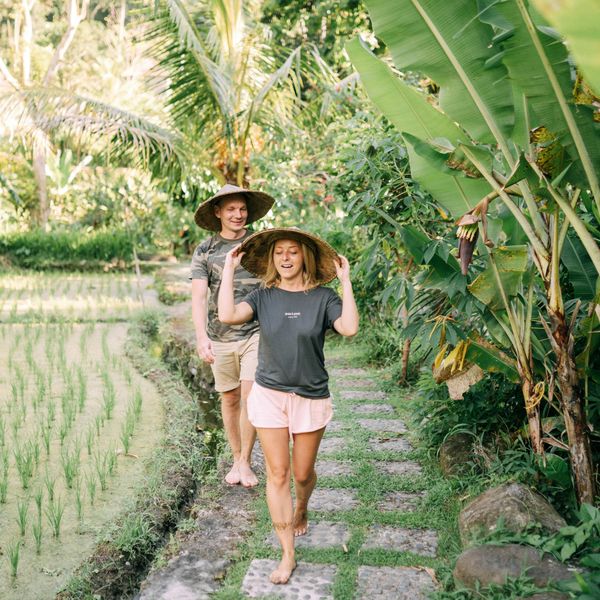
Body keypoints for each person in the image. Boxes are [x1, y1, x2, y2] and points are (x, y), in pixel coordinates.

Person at [217, 227, 359, 584]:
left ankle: (302, 507)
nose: (285, 258)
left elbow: (350, 328)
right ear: (271, 259)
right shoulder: (263, 296)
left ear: (304, 257)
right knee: (277, 474)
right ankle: (287, 554)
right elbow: (227, 316)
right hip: (269, 395)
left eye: (293, 252)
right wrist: (230, 271)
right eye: (279, 252)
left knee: (301, 475)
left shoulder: (324, 298)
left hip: (311, 397)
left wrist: (346, 282)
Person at [190, 184, 275, 487]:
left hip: (256, 332)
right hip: (221, 336)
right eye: (231, 210)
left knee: (251, 398)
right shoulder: (206, 250)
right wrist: (202, 337)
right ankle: (236, 455)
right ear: (218, 213)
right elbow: (199, 297)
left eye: (242, 209)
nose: (238, 215)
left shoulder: (260, 245)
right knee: (229, 399)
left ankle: (245, 462)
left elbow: (274, 284)